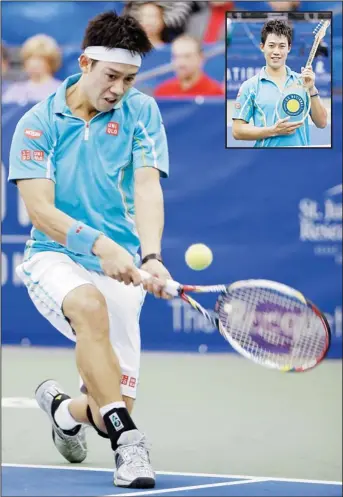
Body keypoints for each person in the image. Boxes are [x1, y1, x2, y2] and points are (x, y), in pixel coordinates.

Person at [8, 11, 172, 489]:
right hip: (53, 256)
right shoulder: (36, 125)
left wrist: (151, 255)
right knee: (88, 305)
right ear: (84, 62)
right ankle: (131, 445)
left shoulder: (142, 111)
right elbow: (40, 212)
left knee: (103, 410)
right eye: (111, 76)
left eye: (130, 79)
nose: (120, 88)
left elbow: (146, 188)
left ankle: (64, 410)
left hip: (120, 265)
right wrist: (98, 244)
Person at [232, 19, 328, 147]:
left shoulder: (303, 82)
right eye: (271, 45)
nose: (276, 51)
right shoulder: (250, 86)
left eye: (282, 46)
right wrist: (273, 131)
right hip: (264, 160)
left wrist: (311, 90)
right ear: (262, 47)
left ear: (289, 48)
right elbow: (237, 131)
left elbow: (322, 123)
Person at [154, 35, 224, 97]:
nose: (181, 63)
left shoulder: (214, 93)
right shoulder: (163, 92)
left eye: (187, 56)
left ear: (200, 58)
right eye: (176, 56)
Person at [3, 34, 62, 105]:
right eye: (29, 58)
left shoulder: (62, 90)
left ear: (50, 61)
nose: (33, 64)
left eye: (39, 59)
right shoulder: (14, 91)